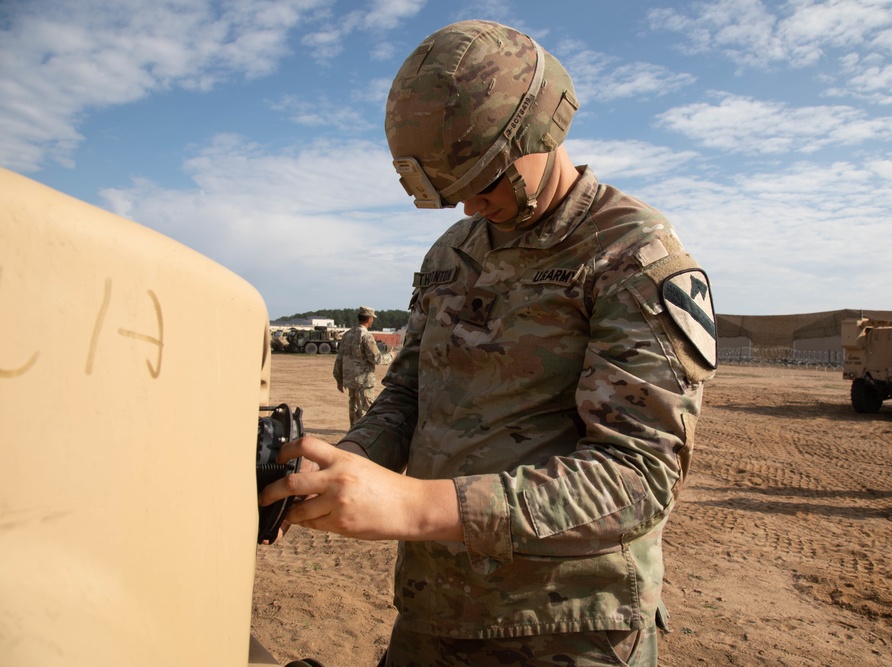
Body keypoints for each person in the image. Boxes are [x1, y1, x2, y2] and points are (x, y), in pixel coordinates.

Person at [261, 19, 717, 666]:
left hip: (569, 626)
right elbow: (408, 396)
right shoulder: (453, 254)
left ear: (543, 130)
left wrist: (415, 504)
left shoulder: (630, 254)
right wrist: (344, 463)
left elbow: (637, 479)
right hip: (437, 610)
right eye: (455, 191)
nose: (472, 207)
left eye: (486, 180)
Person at [332, 306, 394, 426]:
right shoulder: (366, 336)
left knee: (354, 409)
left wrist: (339, 379)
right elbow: (376, 358)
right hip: (364, 381)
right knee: (366, 411)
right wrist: (391, 355)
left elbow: (339, 359)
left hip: (350, 380)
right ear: (370, 319)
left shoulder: (347, 335)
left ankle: (352, 434)